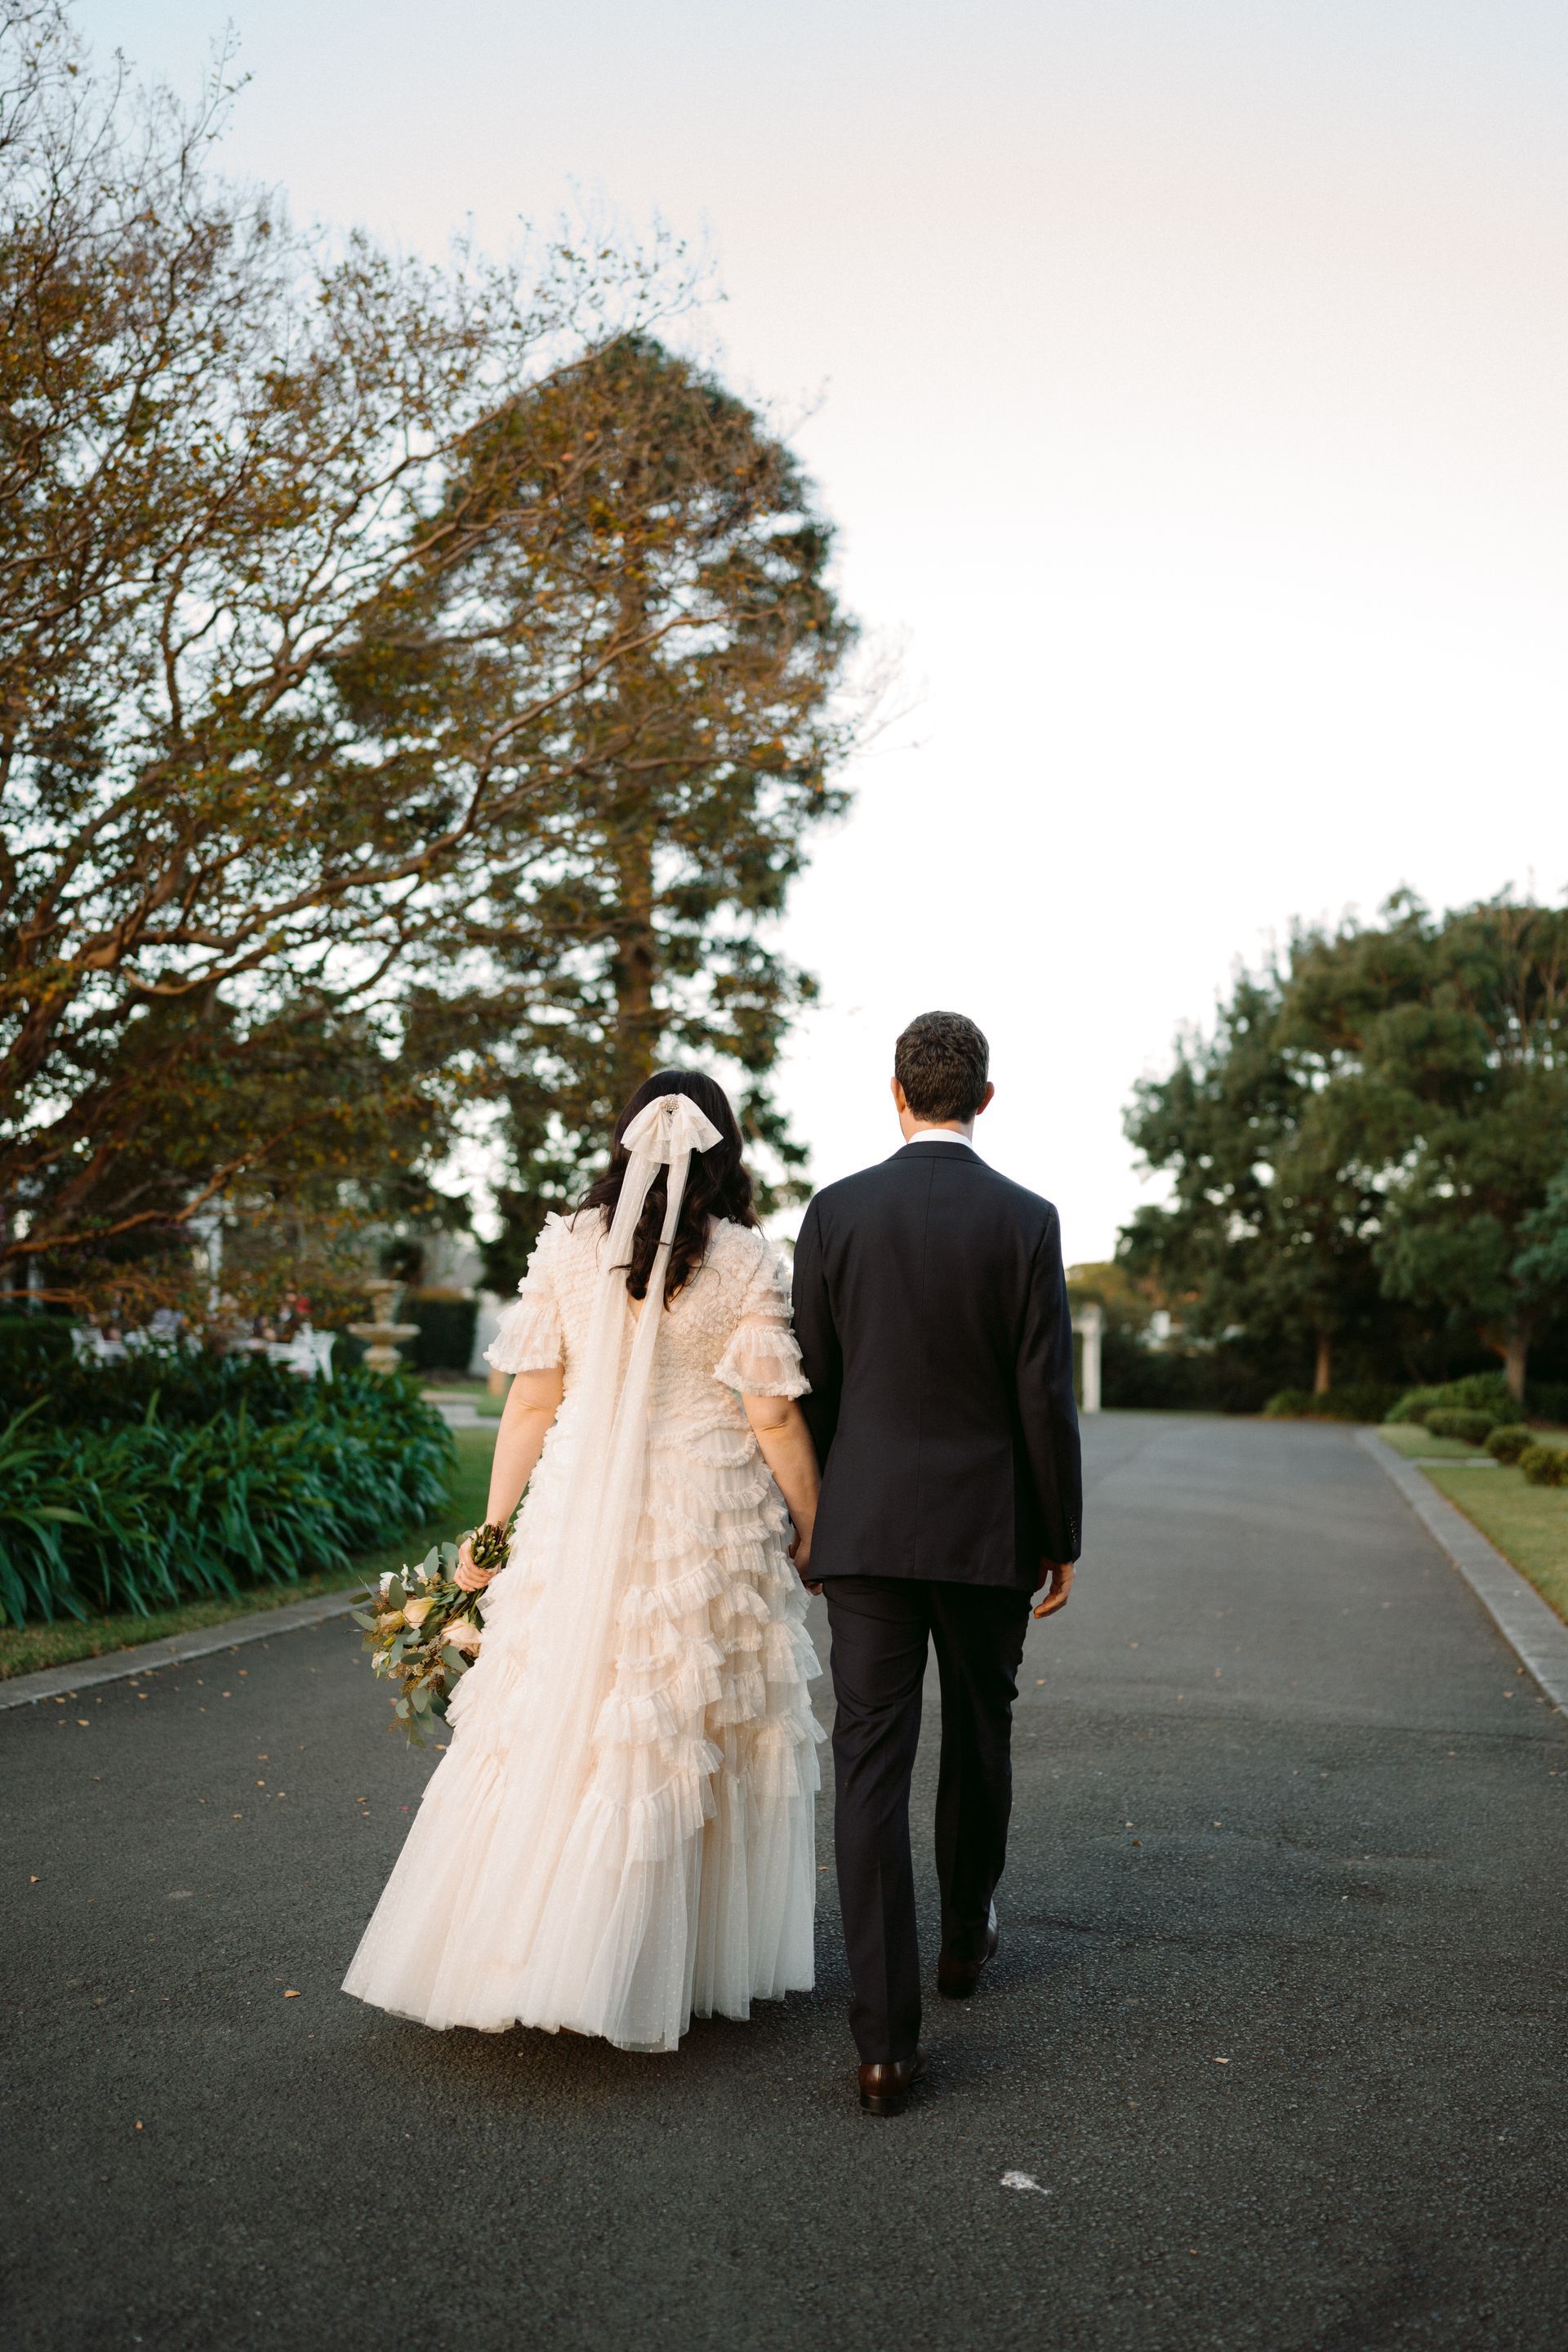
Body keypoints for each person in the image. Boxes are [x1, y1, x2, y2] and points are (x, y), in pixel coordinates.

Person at [343, 1071, 824, 2052]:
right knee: (682, 1720)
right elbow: (769, 1411)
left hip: (576, 1499)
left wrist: (493, 1531)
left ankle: (520, 1944)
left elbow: (528, 1402)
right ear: (724, 1154)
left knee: (556, 1712)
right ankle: (655, 1963)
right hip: (703, 1508)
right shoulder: (742, 1258)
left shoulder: (567, 1245)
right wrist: (814, 1521)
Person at [791, 1009, 1082, 2115]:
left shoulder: (837, 1212)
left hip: (862, 1532)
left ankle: (883, 2045)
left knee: (870, 1767)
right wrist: (1060, 1536)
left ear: (896, 1093)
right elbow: (1042, 1398)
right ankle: (964, 1939)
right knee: (980, 1728)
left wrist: (814, 1522)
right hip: (984, 1531)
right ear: (986, 1100)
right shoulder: (1027, 1220)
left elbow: (807, 1382)